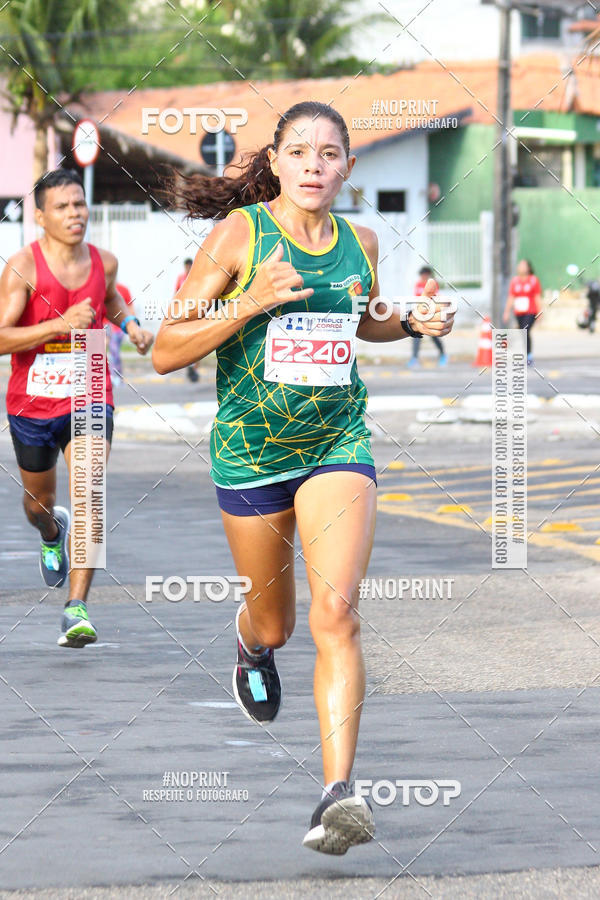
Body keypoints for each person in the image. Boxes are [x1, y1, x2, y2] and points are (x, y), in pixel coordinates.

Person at [152, 101, 454, 854]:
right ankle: (253, 646)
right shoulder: (240, 236)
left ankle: (336, 796)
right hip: (251, 454)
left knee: (337, 615)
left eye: (330, 153)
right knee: (279, 623)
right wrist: (249, 300)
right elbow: (166, 348)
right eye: (300, 151)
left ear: (348, 166)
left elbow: (363, 319)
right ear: (277, 164)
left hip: (335, 443)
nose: (315, 164)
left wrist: (411, 322)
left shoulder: (361, 240)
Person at [0, 168, 153, 647]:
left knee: (90, 494)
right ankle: (50, 533)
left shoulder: (104, 261)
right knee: (38, 503)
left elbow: (110, 302)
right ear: (40, 216)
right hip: (32, 401)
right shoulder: (23, 267)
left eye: (79, 204)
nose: (75, 214)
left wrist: (133, 327)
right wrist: (59, 325)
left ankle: (77, 607)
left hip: (89, 387)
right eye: (63, 207)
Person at [407, 266, 448, 368]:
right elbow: (417, 299)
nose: (423, 277)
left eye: (425, 275)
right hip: (420, 314)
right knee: (416, 336)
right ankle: (414, 358)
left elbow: (434, 298)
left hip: (431, 314)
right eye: (422, 275)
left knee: (434, 336)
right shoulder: (418, 284)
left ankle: (443, 355)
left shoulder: (433, 284)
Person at [503, 259, 541, 365]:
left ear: (528, 268)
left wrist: (540, 312)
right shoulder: (515, 281)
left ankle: (529, 356)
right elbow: (511, 297)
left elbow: (537, 296)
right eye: (520, 265)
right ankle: (525, 354)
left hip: (531, 311)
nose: (521, 267)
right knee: (522, 333)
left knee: (525, 330)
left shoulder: (533, 280)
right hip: (519, 312)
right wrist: (506, 311)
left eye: (523, 265)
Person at [103, 280, 135, 385]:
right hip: (104, 326)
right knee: (103, 352)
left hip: (119, 327)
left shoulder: (123, 289)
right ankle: (109, 376)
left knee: (114, 350)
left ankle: (116, 376)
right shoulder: (102, 287)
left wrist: (132, 325)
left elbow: (130, 307)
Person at [175, 258, 199, 382]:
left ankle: (194, 368)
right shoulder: (181, 278)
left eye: (190, 267)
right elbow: (176, 294)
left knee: (196, 340)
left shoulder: (197, 278)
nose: (188, 269)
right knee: (186, 340)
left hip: (195, 312)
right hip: (183, 313)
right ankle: (189, 365)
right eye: (187, 267)